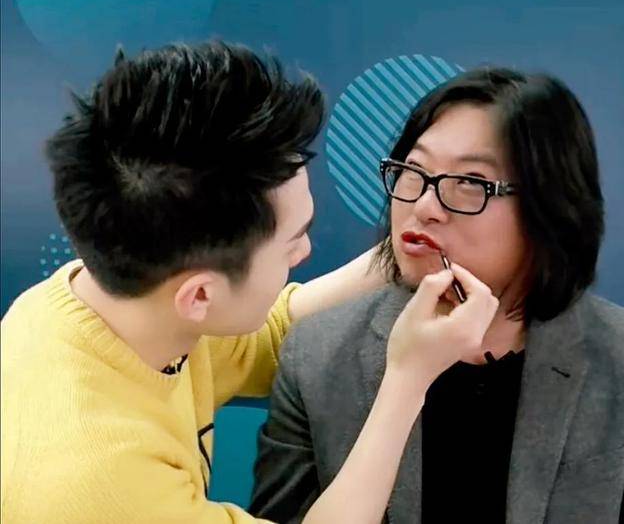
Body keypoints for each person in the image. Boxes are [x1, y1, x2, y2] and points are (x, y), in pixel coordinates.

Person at [1, 41, 499, 524]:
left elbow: (267, 332)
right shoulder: (100, 490)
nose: (305, 252)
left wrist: (411, 244)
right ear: (200, 295)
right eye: (292, 243)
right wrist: (408, 379)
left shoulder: (89, 304)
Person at [250, 67, 624, 524]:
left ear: (550, 208)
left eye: (471, 183)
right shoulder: (316, 355)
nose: (424, 207)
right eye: (414, 172)